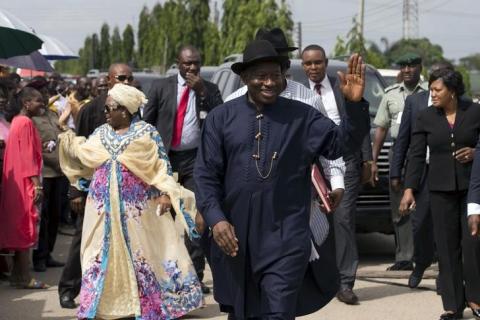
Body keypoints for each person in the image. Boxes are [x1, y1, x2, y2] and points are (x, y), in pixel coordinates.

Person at [194, 39, 370, 320]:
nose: (269, 82)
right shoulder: (221, 117)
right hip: (237, 238)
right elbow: (205, 174)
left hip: (286, 236)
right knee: (244, 314)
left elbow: (341, 146)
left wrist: (355, 105)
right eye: (261, 76)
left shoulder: (302, 116)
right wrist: (216, 219)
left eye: (275, 75)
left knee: (278, 312)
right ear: (245, 78)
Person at [59, 83, 203, 319]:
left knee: (145, 253)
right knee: (98, 253)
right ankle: (105, 305)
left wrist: (166, 193)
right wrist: (64, 127)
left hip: (137, 210)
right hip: (102, 210)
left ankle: (153, 304)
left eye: (110, 108)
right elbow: (82, 153)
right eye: (106, 108)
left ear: (125, 110)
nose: (105, 112)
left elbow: (161, 166)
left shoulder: (146, 133)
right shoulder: (101, 133)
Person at [400, 68, 480, 320]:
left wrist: (476, 154)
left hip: (472, 191)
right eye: (431, 89)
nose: (432, 94)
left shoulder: (475, 111)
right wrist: (409, 189)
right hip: (439, 190)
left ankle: (476, 299)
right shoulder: (425, 117)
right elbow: (415, 154)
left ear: (452, 92)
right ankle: (453, 306)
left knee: (473, 245)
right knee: (446, 249)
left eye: (437, 90)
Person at [143, 45, 223, 294]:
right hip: (165, 160)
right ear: (178, 62)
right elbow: (148, 123)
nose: (191, 68)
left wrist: (202, 92)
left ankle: (194, 277)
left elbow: (220, 115)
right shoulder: (160, 87)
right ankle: (160, 275)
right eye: (187, 63)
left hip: (195, 160)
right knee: (162, 217)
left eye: (196, 63)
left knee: (195, 220)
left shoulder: (209, 88)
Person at [301, 44, 373, 304]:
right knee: (318, 223)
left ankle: (345, 282)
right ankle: (321, 279)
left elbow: (358, 125)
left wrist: (367, 159)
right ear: (302, 65)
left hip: (347, 163)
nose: (313, 68)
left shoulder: (341, 87)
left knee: (343, 221)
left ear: (326, 62)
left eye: (317, 62)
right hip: (315, 168)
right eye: (308, 63)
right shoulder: (298, 93)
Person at [58, 63, 134, 309]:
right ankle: (68, 288)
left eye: (129, 78)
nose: (126, 81)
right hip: (95, 189)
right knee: (84, 237)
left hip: (127, 190)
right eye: (121, 77)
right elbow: (76, 155)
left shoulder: (135, 107)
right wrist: (76, 191)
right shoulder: (92, 109)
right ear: (109, 79)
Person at [391, 61, 456, 289]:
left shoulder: (458, 107)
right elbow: (403, 139)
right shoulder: (415, 102)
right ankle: (421, 263)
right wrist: (396, 171)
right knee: (420, 224)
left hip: (448, 171)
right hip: (422, 172)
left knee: (445, 225)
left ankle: (444, 273)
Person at [371, 53, 428, 271]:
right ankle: (404, 256)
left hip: (424, 151)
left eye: (412, 66)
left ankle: (425, 253)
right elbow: (381, 129)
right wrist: (373, 161)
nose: (407, 70)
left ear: (419, 67)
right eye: (403, 66)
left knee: (425, 204)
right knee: (400, 205)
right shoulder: (391, 94)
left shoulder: (429, 92)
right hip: (398, 153)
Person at [0, 87, 48, 289]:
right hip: (25, 182)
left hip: (16, 183)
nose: (42, 105)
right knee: (26, 226)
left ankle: (17, 276)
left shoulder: (17, 122)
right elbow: (27, 157)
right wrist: (36, 186)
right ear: (26, 103)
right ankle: (24, 277)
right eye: (38, 101)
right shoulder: (26, 122)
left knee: (20, 225)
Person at [27, 78, 66, 272]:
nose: (44, 95)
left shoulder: (52, 114)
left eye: (46, 91)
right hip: (44, 174)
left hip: (59, 172)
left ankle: (48, 253)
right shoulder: (31, 119)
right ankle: (39, 257)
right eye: (41, 92)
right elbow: (34, 148)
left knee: (55, 215)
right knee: (42, 217)